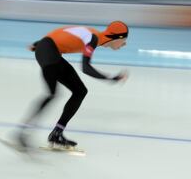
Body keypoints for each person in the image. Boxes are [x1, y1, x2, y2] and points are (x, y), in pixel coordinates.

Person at [17, 21, 129, 149]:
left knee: (80, 91)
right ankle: (22, 132)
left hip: (49, 50)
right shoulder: (94, 38)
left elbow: (65, 33)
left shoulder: (94, 36)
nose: (124, 44)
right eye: (124, 40)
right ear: (117, 37)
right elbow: (85, 67)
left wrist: (37, 43)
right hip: (48, 50)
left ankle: (57, 133)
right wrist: (111, 78)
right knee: (52, 94)